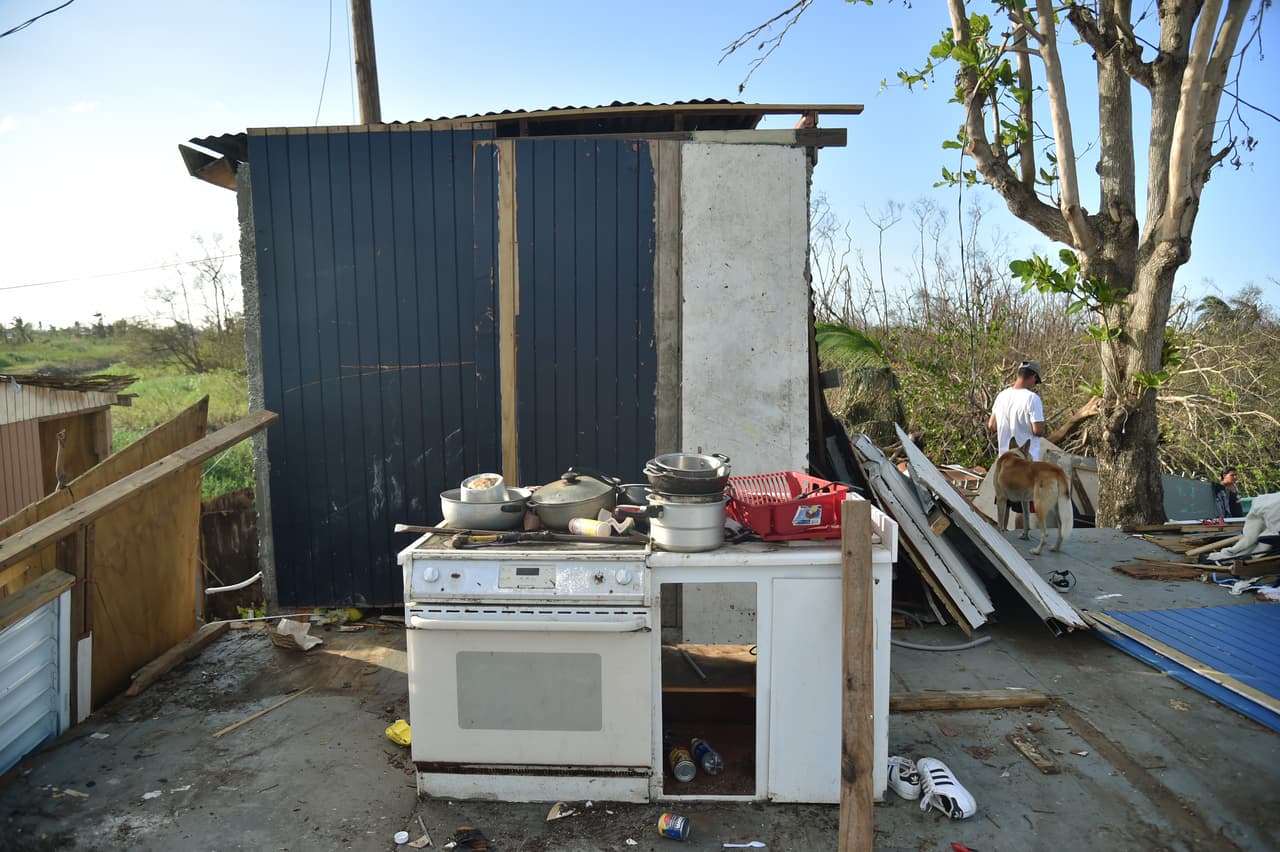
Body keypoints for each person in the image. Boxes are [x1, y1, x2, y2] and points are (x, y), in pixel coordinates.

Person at [988, 359, 1046, 528]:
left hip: (1004, 459)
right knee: (1023, 506)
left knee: (1003, 500)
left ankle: (1002, 537)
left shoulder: (1002, 396)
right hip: (1024, 461)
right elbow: (1038, 430)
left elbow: (991, 425)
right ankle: (1020, 543)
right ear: (1033, 377)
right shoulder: (1032, 399)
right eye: (1036, 380)